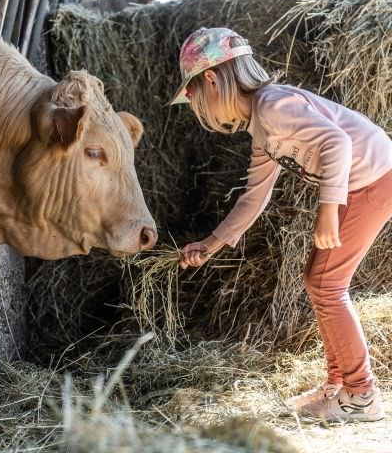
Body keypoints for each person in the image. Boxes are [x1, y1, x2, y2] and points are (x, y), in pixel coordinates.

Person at [168, 26, 392, 422]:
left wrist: (327, 209)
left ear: (212, 80)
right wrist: (211, 243)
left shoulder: (273, 104)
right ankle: (338, 385)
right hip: (361, 183)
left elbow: (336, 143)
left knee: (327, 283)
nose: (197, 107)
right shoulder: (261, 129)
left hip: (375, 179)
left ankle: (362, 395)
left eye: (194, 97)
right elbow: (254, 196)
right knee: (318, 280)